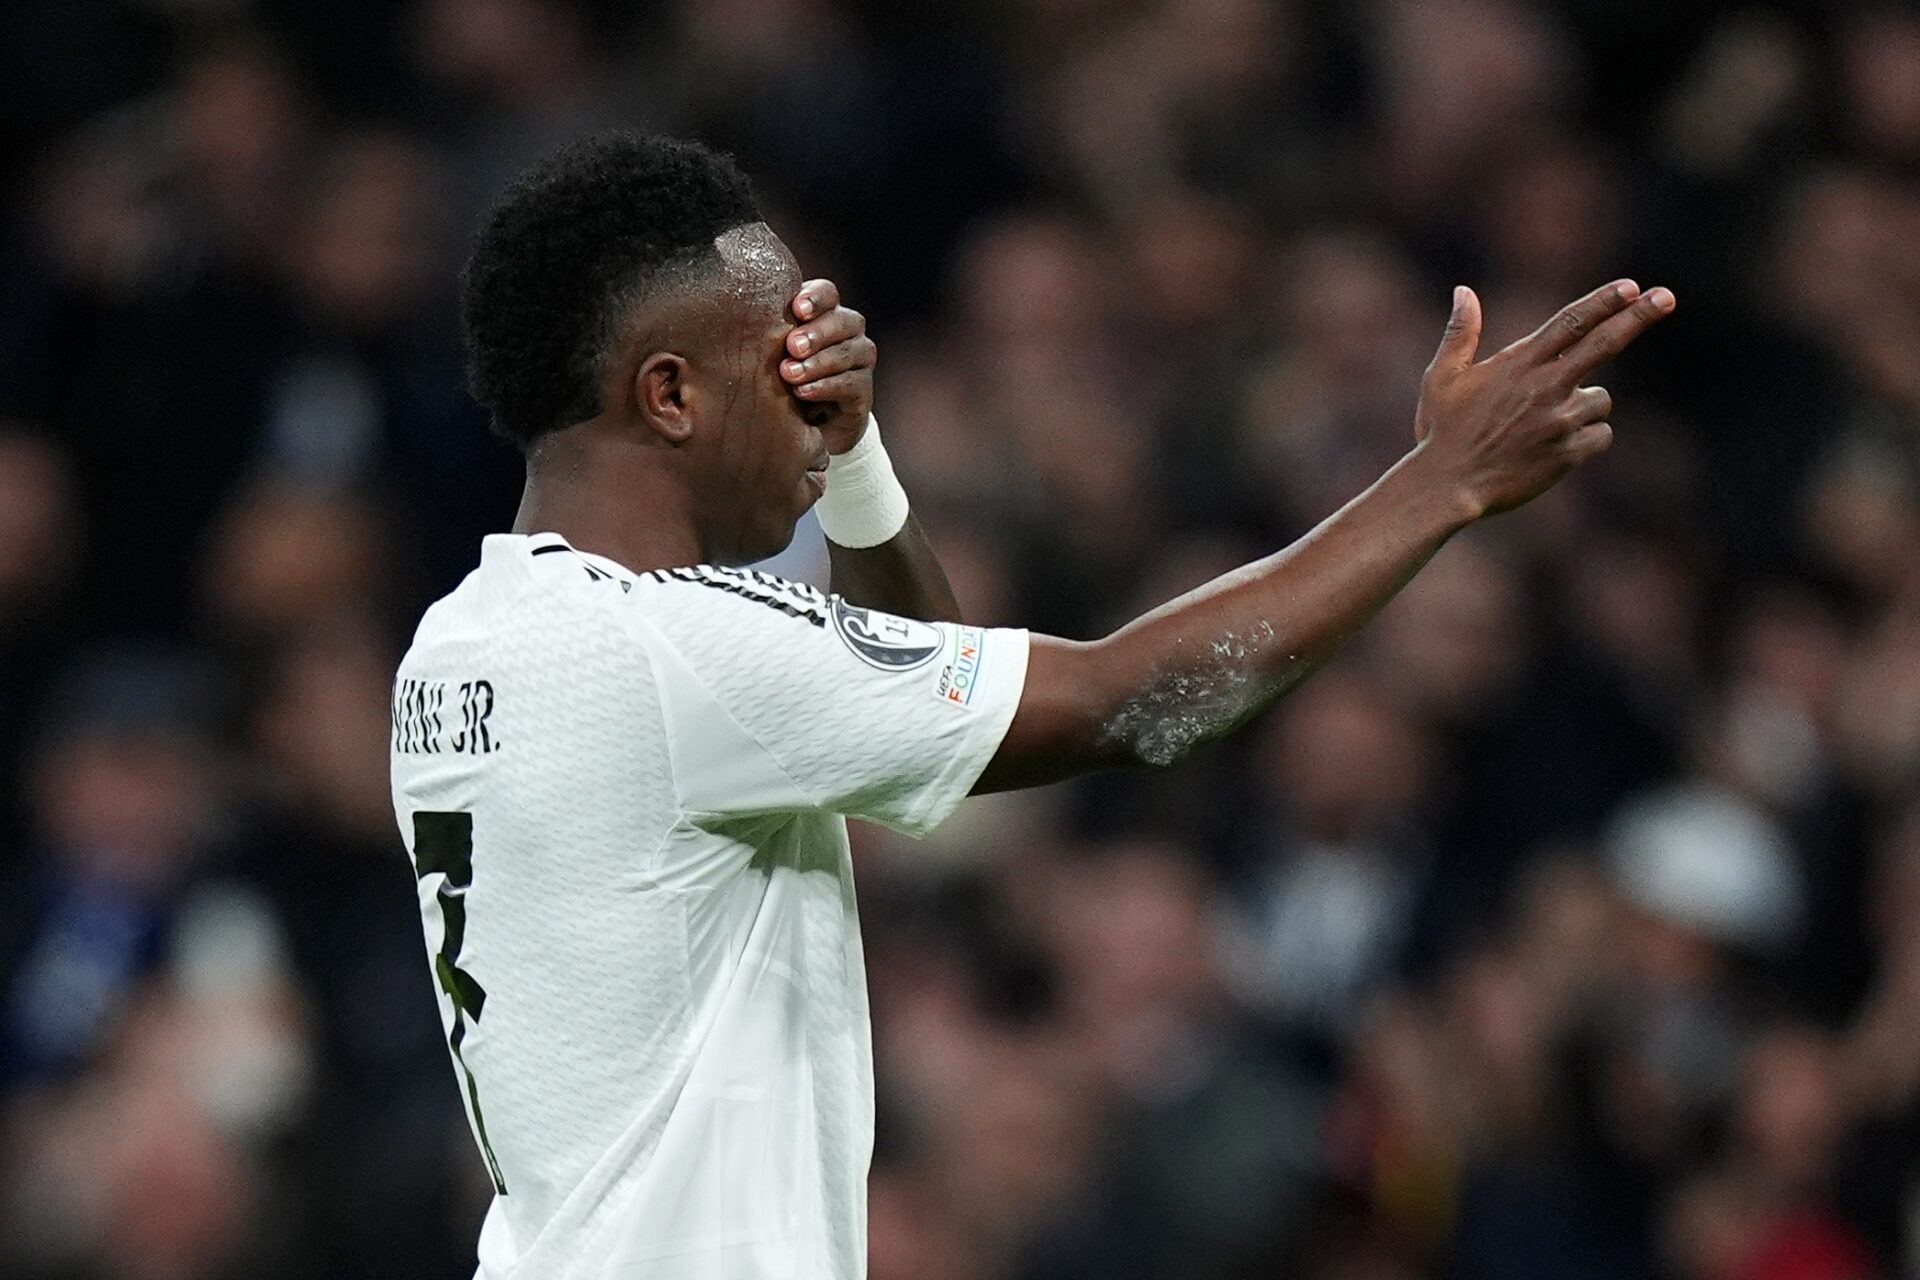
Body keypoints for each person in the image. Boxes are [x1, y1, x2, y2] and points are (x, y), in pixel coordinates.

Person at [388, 131, 1674, 1279]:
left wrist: (852, 462)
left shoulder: (457, 650)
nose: (814, 371)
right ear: (669, 394)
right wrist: (1440, 479)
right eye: (780, 351)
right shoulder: (673, 652)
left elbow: (923, 684)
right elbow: (1129, 703)